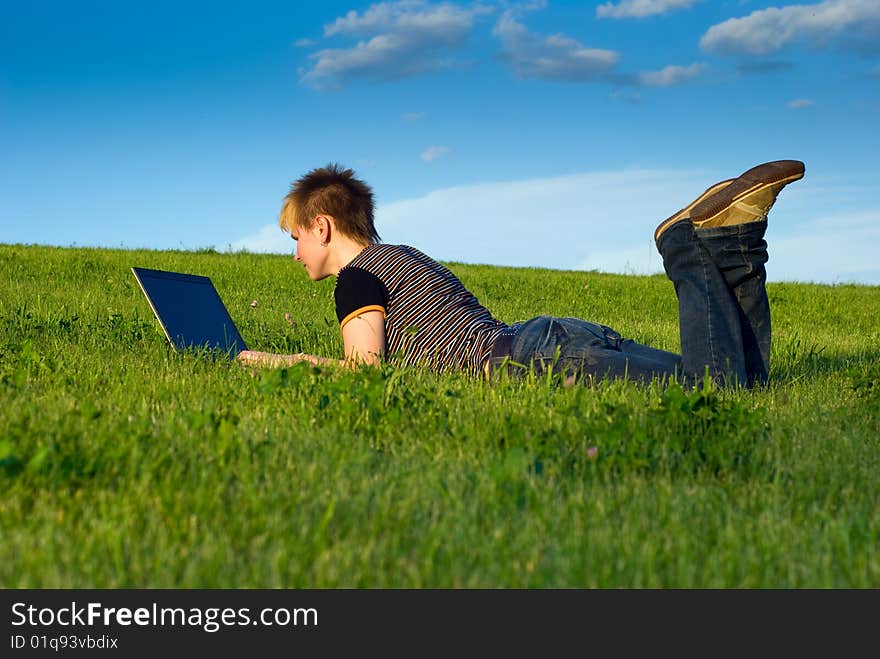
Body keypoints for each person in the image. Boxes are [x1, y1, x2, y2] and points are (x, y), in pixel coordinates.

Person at [237, 160, 805, 389]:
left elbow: (364, 372)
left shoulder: (355, 278)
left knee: (707, 389)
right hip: (552, 335)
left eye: (295, 240)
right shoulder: (405, 255)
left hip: (527, 358)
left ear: (323, 227)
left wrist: (274, 361)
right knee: (734, 386)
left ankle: (685, 246)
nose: (294, 256)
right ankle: (734, 241)